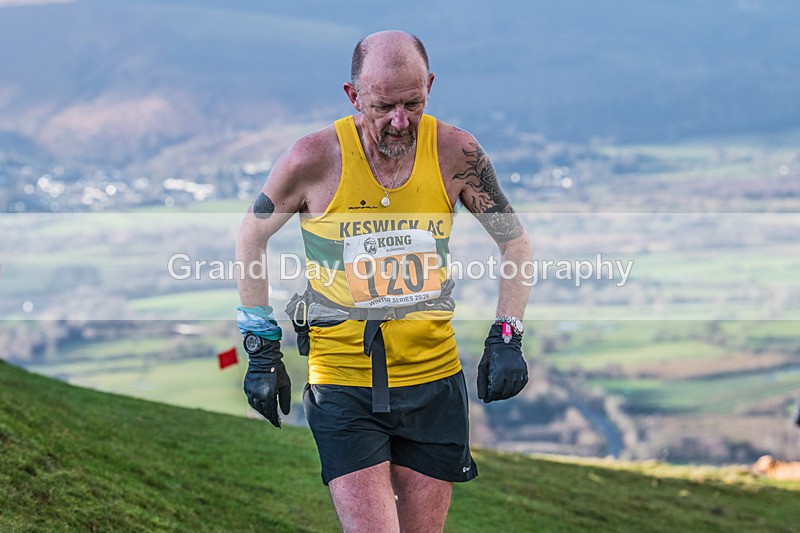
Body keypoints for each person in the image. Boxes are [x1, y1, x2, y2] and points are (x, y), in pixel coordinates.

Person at [235, 30, 532, 533]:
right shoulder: (313, 157)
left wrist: (508, 336)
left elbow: (515, 243)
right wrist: (261, 348)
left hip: (433, 381)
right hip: (343, 383)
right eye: (384, 106)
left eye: (413, 103)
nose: (400, 121)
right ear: (353, 96)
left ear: (431, 87)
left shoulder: (456, 152)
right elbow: (251, 235)